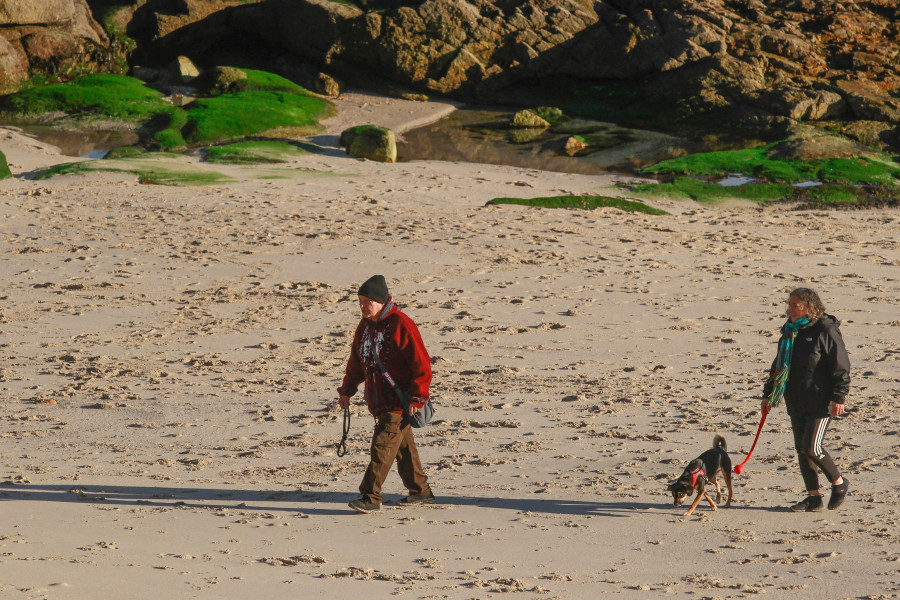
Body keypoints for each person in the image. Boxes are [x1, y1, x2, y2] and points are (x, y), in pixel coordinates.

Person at [337, 275, 435, 513]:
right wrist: (347, 390)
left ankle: (370, 497)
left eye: (366, 302)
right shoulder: (364, 327)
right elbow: (356, 363)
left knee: (381, 447)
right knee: (403, 449)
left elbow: (421, 364)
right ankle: (420, 491)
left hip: (398, 403)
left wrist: (417, 397)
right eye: (359, 301)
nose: (362, 306)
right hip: (379, 403)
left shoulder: (402, 324)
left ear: (381, 302)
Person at [762, 287, 850, 512]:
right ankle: (813, 497)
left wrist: (838, 397)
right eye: (789, 304)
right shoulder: (789, 331)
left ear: (809, 307)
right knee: (802, 449)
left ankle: (839, 483)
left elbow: (841, 366)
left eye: (795, 305)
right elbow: (778, 365)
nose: (789, 309)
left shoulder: (825, 330)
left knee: (812, 447)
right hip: (795, 398)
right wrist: (768, 393)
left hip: (820, 401)